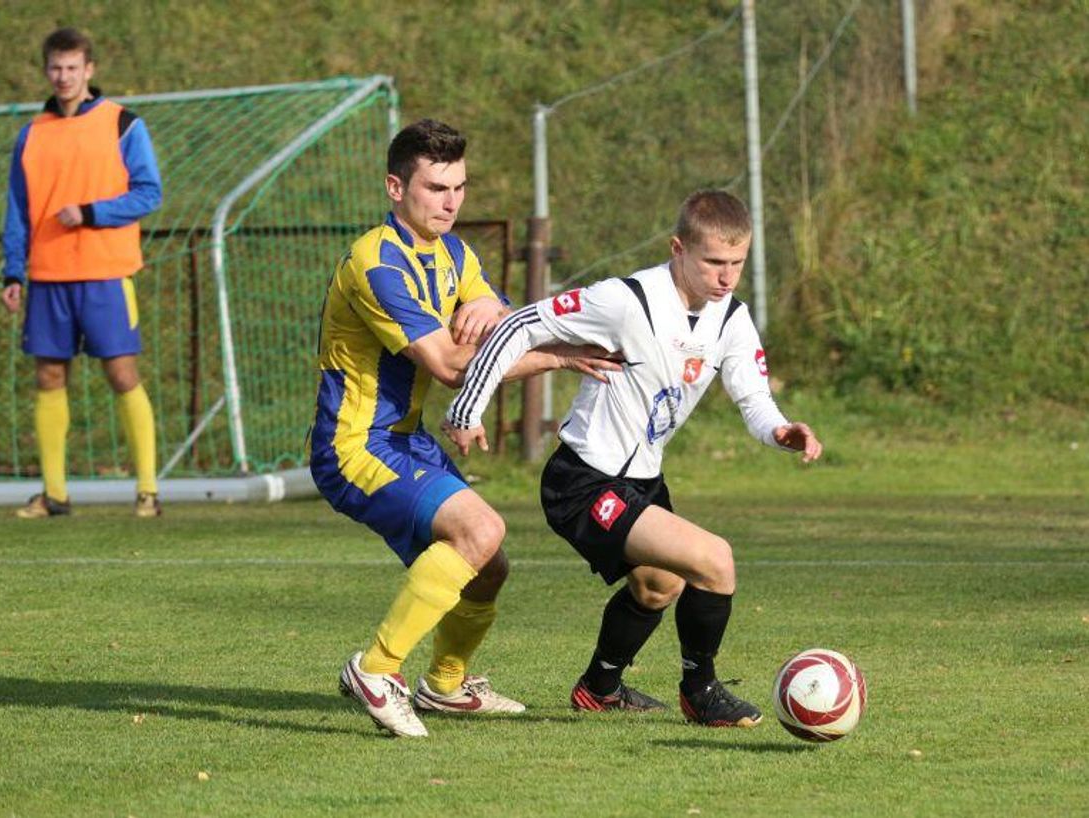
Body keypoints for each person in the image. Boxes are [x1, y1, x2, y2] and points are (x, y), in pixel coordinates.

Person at [443, 189, 823, 727]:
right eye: (714, 262)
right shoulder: (627, 300)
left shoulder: (730, 318)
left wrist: (779, 430)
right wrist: (467, 406)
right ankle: (702, 690)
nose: (727, 277)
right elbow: (517, 324)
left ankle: (600, 687)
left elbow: (753, 397)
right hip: (583, 483)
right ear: (677, 248)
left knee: (658, 584)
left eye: (737, 263)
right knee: (715, 561)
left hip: (641, 480)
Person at [312, 119, 619, 738]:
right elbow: (453, 364)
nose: (450, 201)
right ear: (395, 188)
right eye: (434, 187)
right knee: (482, 528)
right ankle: (376, 670)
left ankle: (446, 686)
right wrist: (559, 355)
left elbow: (511, 327)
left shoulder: (455, 254)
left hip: (406, 439)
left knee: (489, 564)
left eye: (459, 187)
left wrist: (499, 312)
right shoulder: (376, 262)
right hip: (354, 445)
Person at [0, 27, 164, 519]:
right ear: (46, 70)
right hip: (48, 276)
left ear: (89, 70)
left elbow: (148, 193)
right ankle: (55, 494)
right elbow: (16, 209)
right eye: (56, 68)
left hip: (106, 274)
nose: (64, 76)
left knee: (121, 373)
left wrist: (91, 212)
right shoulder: (31, 134)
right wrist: (13, 272)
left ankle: (148, 492)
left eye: (73, 67)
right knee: (48, 377)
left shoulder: (123, 125)